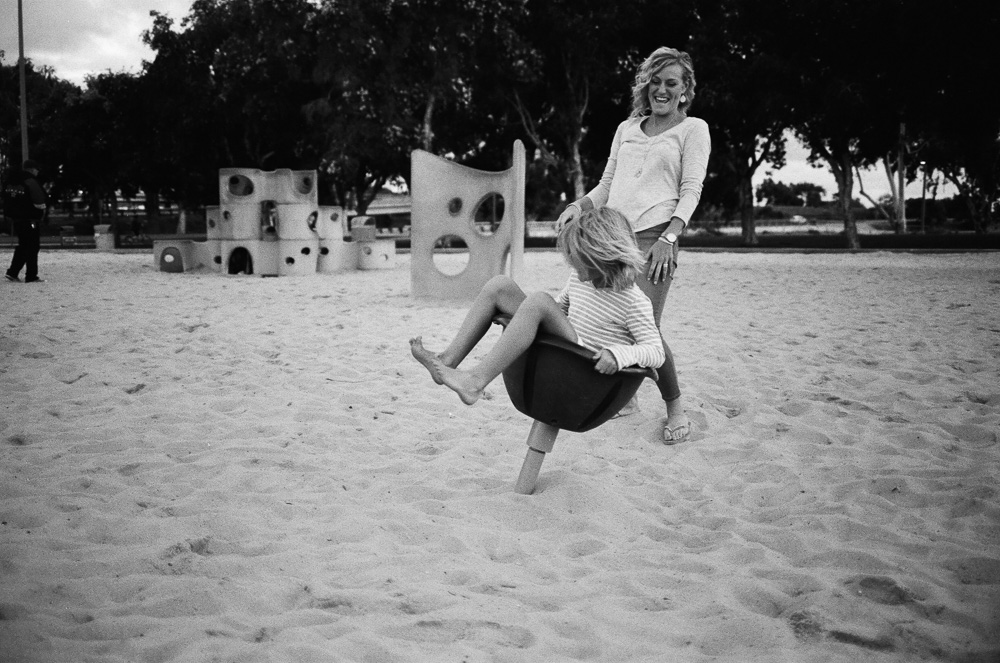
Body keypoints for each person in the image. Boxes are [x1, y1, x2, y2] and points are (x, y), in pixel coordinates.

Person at [555, 47, 711, 444]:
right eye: (655, 81)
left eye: (670, 83)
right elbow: (607, 185)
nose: (661, 89)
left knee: (646, 329)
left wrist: (670, 237)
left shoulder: (694, 130)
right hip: (612, 239)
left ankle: (675, 407)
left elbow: (691, 190)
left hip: (657, 238)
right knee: (599, 316)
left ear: (684, 89)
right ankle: (625, 401)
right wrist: (578, 205)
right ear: (646, 85)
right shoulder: (626, 128)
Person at [410, 207, 665, 407]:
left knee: (539, 301)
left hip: (586, 363)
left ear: (602, 256)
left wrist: (620, 355)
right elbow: (559, 309)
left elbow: (656, 352)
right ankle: (447, 360)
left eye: (577, 259)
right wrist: (521, 319)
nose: (571, 264)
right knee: (500, 286)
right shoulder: (580, 279)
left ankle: (474, 382)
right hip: (566, 345)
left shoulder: (633, 301)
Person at [4, 159, 48, 283]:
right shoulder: (31, 181)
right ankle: (31, 276)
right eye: (37, 170)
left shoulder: (10, 180)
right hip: (30, 219)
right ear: (33, 169)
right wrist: (42, 210)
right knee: (33, 246)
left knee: (23, 245)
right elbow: (39, 200)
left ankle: (13, 272)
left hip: (16, 218)